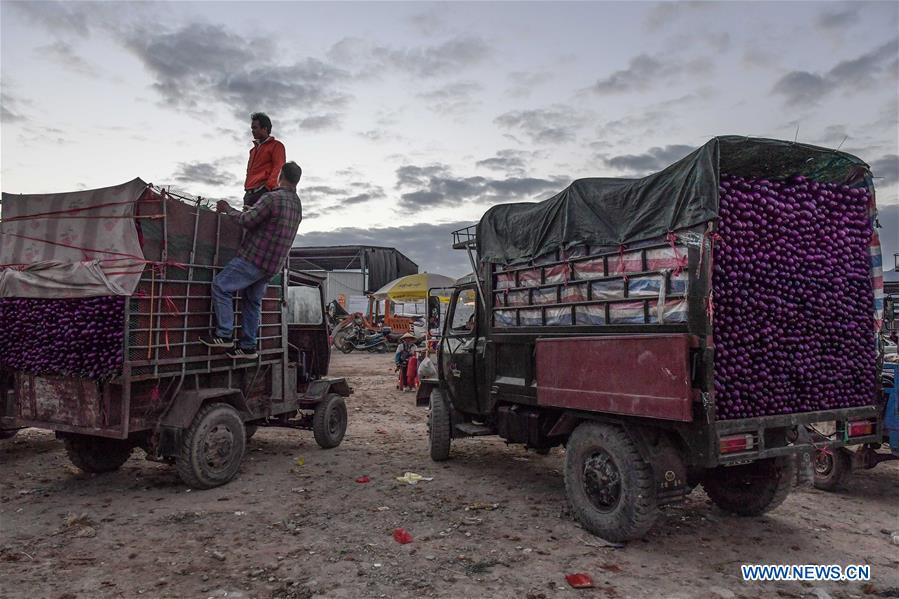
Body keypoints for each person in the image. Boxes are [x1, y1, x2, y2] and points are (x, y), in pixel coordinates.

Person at [200, 161, 303, 359]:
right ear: (297, 180)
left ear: (280, 175)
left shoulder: (272, 198)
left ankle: (224, 335)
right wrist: (253, 210)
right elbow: (271, 223)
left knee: (221, 286)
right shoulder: (297, 205)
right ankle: (248, 346)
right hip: (273, 266)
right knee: (252, 301)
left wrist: (229, 209)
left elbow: (247, 221)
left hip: (255, 258)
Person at [243, 112, 286, 208]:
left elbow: (279, 168)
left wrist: (267, 189)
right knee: (246, 221)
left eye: (255, 128)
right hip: (249, 194)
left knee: (262, 222)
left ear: (265, 128)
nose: (252, 131)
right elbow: (249, 172)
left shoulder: (276, 146)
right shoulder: (253, 150)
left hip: (263, 193)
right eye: (251, 128)